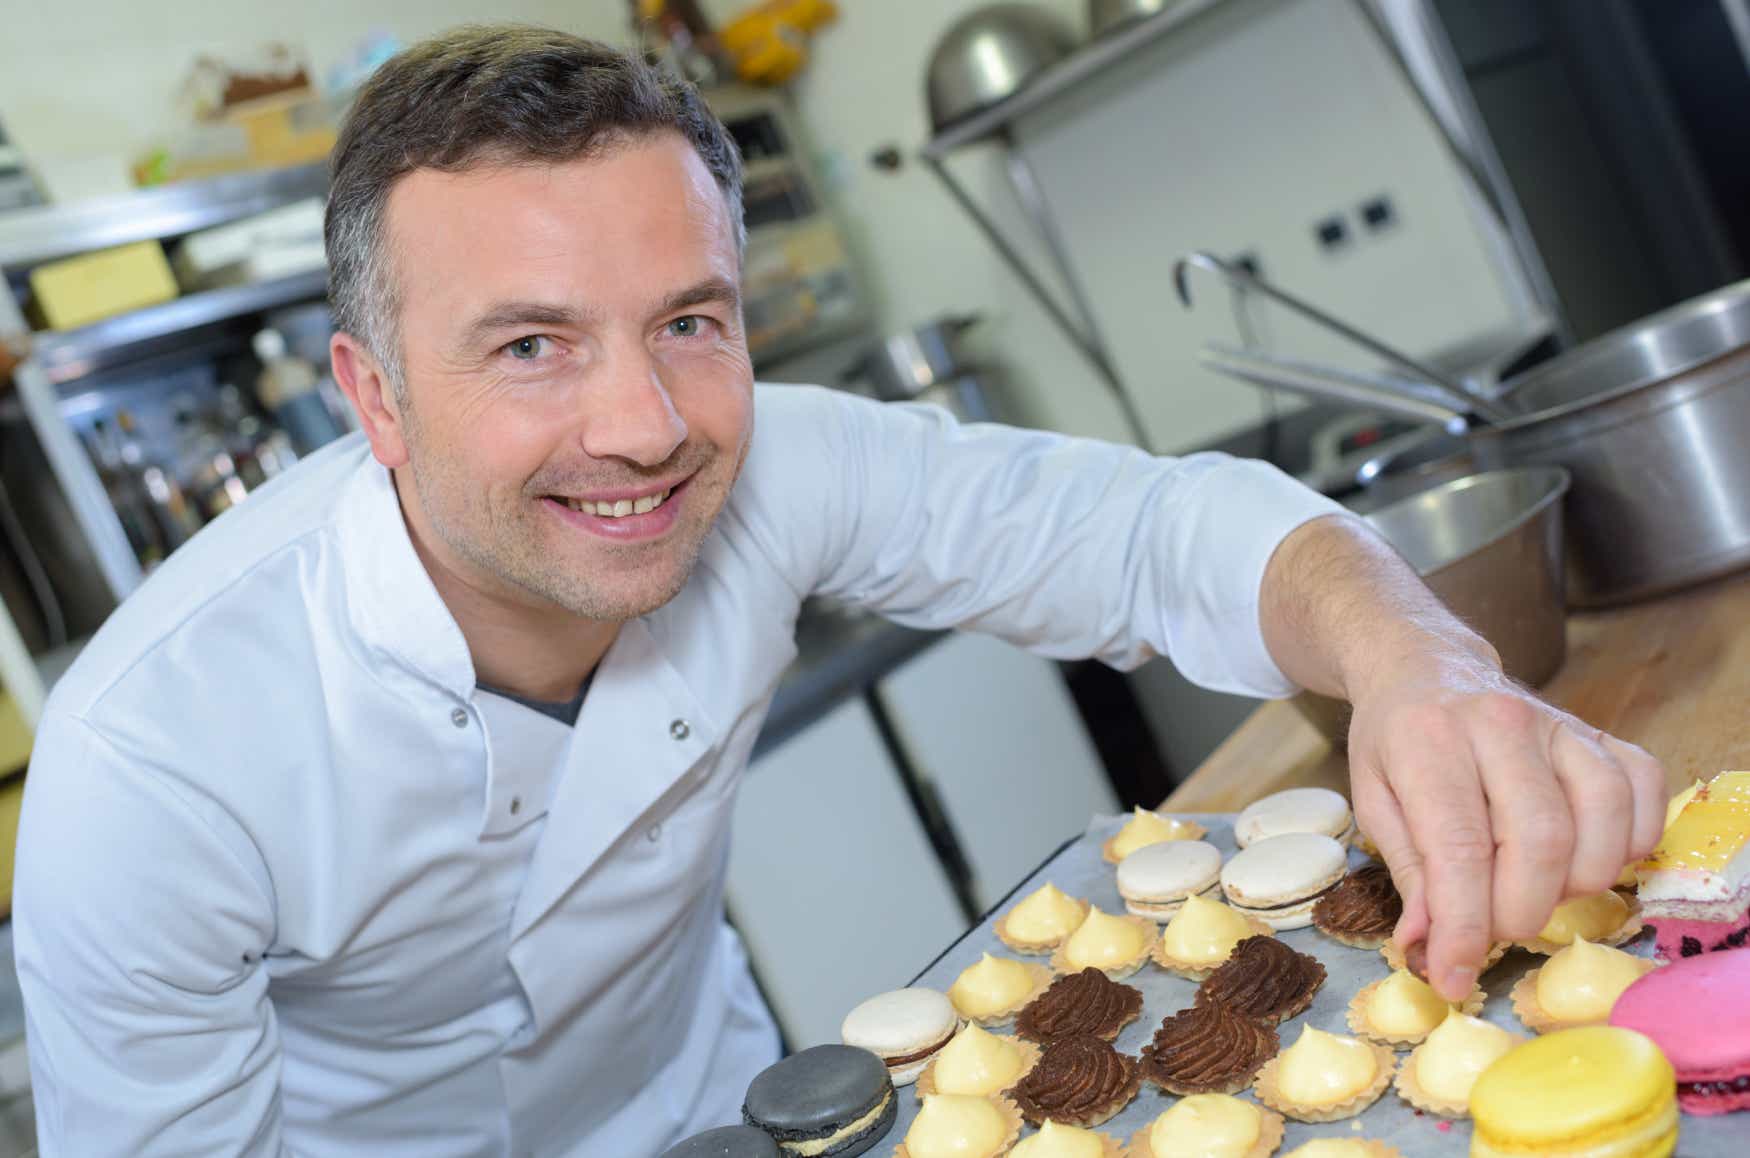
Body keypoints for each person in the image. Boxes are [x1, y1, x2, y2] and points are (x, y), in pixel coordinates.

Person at [13, 25, 1666, 1157]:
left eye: (690, 320)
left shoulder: (779, 464)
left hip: (729, 1113)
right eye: (529, 345)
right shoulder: (153, 761)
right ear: (371, 396)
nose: (642, 425)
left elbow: (1160, 530)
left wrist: (1418, 661)